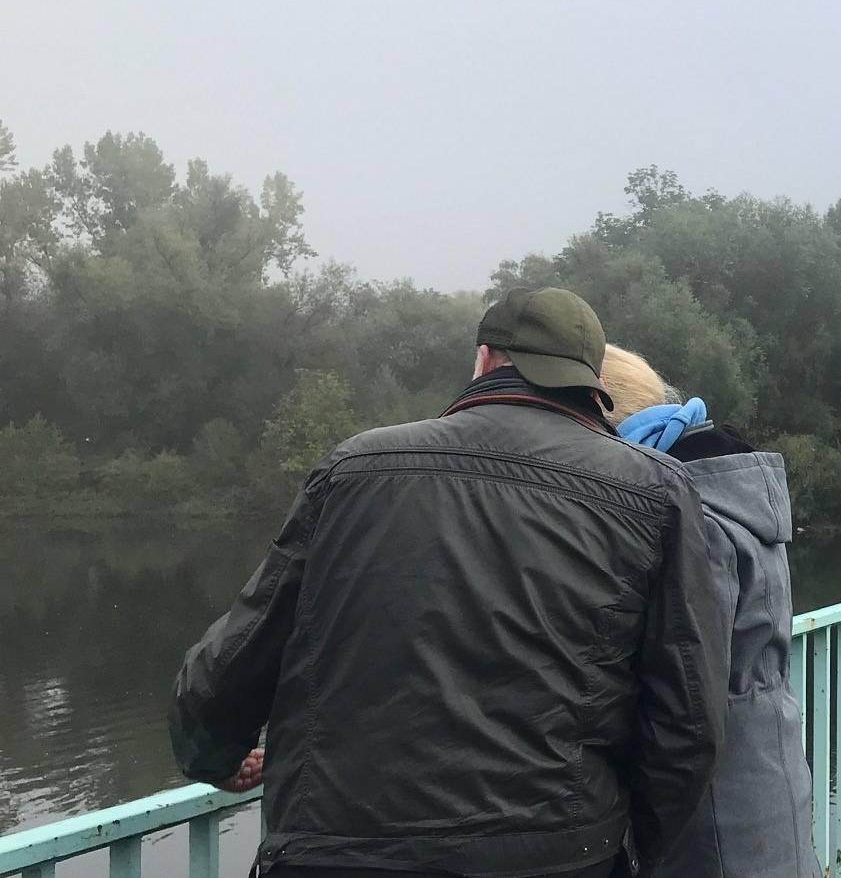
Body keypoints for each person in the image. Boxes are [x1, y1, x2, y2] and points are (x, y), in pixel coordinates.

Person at [170, 288, 729, 878]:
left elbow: (227, 668)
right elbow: (688, 723)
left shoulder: (355, 469)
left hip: (340, 857)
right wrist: (620, 844)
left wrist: (216, 757)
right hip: (557, 859)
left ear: (484, 360)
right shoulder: (656, 492)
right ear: (593, 385)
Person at [601, 345, 819, 878]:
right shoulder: (731, 488)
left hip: (714, 815)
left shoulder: (692, 516)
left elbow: (684, 700)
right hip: (767, 773)